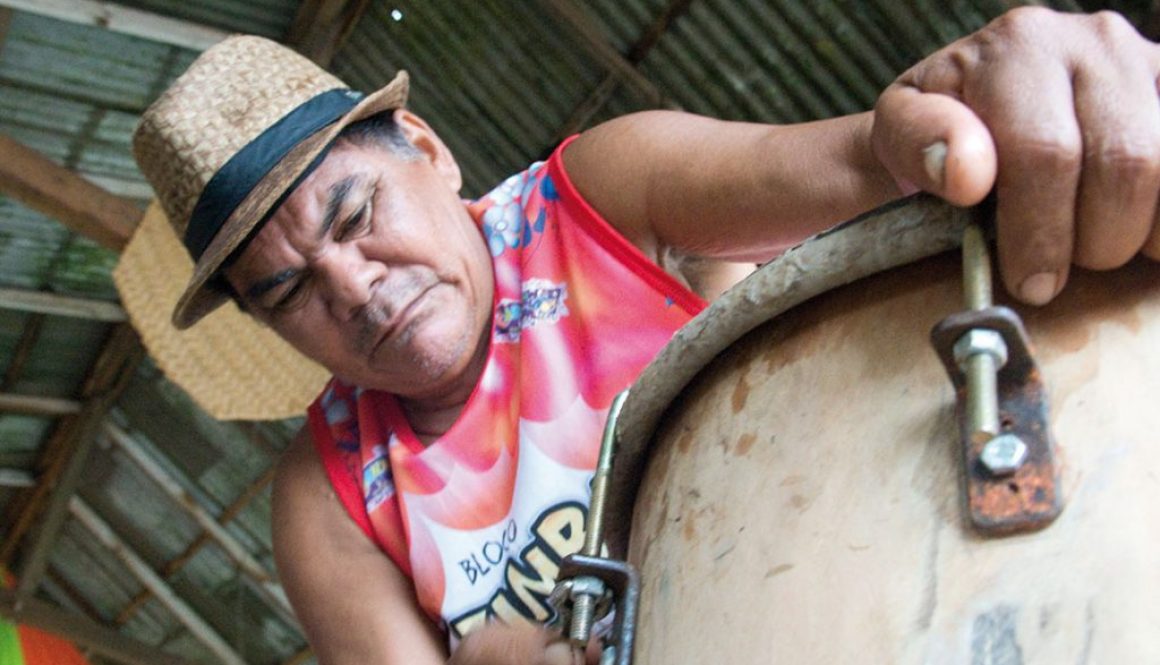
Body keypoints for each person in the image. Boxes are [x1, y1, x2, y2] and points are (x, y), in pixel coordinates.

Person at [124, 7, 1160, 665]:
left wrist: (984, 101)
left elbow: (867, 161)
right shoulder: (329, 495)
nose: (353, 287)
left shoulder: (594, 199)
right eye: (289, 291)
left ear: (429, 152)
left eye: (355, 216)